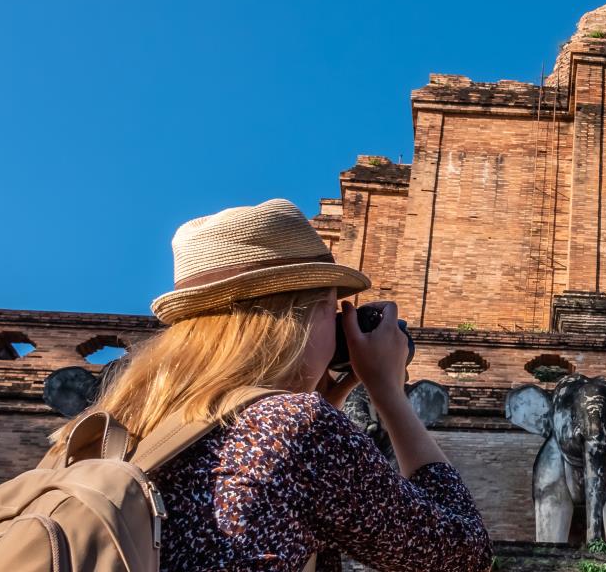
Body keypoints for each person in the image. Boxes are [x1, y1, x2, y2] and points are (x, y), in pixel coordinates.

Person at [49, 198, 492, 571]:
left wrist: (325, 396)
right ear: (299, 318)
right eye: (330, 307)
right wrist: (389, 393)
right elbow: (464, 556)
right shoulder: (292, 428)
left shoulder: (98, 433)